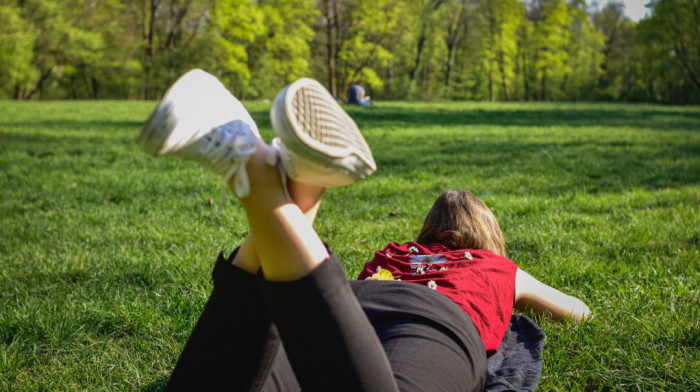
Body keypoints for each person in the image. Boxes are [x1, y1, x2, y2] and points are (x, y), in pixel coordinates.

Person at [137, 69, 591, 392]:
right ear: (488, 236)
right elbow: (576, 311)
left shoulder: (396, 251)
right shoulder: (496, 267)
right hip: (434, 321)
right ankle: (268, 178)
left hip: (350, 304)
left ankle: (292, 188)